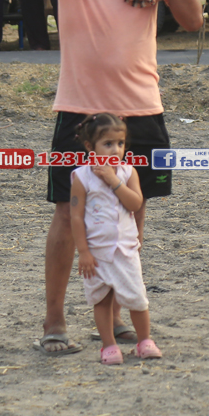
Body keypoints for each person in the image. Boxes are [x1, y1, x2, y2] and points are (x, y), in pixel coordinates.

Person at [0, 0, 203, 357]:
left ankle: (116, 316)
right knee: (67, 216)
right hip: (80, 110)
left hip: (141, 108)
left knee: (130, 219)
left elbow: (193, 20)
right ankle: (54, 320)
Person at [69, 112, 163, 365]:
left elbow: (135, 203)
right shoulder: (81, 177)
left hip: (125, 250)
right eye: (108, 143)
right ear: (90, 147)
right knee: (101, 300)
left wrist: (113, 181)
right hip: (96, 253)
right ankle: (109, 346)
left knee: (137, 298)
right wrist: (83, 252)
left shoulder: (127, 173)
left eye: (120, 143)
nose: (115, 150)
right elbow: (76, 217)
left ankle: (144, 341)